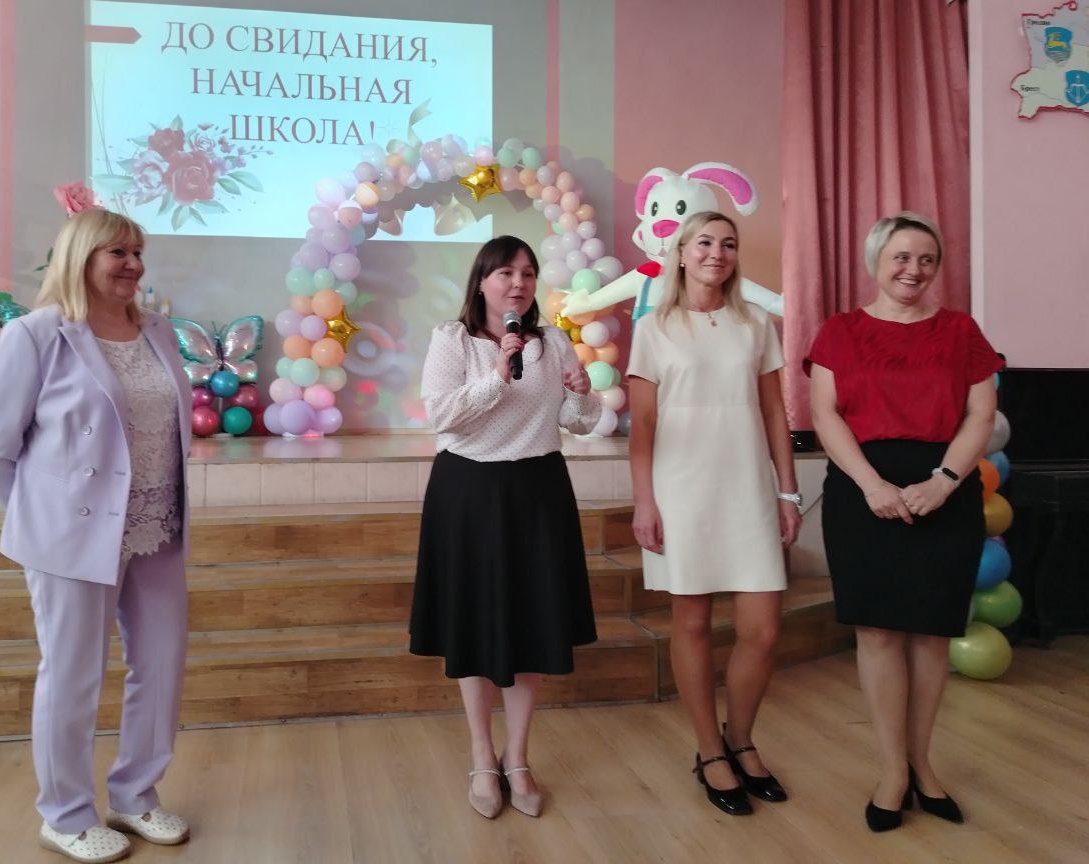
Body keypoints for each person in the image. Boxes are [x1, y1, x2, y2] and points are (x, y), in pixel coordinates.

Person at [0, 208, 193, 862]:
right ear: (81, 257)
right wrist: (43, 515)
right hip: (71, 534)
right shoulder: (36, 334)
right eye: (117, 252)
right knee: (73, 674)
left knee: (161, 665)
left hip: (156, 523)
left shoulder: (157, 330)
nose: (133, 265)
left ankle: (135, 794)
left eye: (138, 252)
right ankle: (65, 815)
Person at [806, 212, 1002, 833]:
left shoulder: (961, 330)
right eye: (901, 257)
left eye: (926, 259)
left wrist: (943, 482)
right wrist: (872, 485)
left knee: (931, 635)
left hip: (945, 487)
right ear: (876, 261)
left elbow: (980, 415)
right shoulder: (840, 331)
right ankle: (892, 770)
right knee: (879, 633)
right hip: (862, 489)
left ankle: (923, 764)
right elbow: (826, 416)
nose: (913, 270)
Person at [410, 235, 602, 820]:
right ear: (482, 281)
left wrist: (583, 396)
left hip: (537, 492)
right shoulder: (452, 339)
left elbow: (579, 423)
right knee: (474, 625)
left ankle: (517, 757)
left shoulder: (553, 342)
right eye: (505, 273)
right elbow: (443, 415)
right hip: (469, 492)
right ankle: (480, 754)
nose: (518, 283)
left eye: (528, 273)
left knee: (530, 625)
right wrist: (498, 375)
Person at [626, 210, 802, 817]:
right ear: (680, 252)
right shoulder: (654, 328)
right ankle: (709, 750)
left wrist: (788, 492)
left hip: (748, 487)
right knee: (693, 624)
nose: (716, 253)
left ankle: (741, 738)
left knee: (764, 629)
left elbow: (776, 414)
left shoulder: (755, 324)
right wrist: (644, 501)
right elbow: (643, 423)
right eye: (704, 242)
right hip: (681, 490)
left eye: (728, 244)